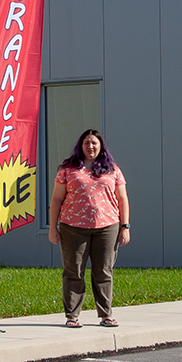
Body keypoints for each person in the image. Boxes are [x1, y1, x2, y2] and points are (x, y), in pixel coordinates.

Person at [48, 129, 130, 328]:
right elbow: (57, 199)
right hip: (73, 227)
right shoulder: (68, 169)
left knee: (104, 271)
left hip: (107, 226)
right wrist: (53, 227)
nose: (90, 146)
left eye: (94, 143)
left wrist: (125, 226)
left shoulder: (112, 169)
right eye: (86, 143)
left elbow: (122, 198)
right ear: (80, 146)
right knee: (73, 271)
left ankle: (106, 315)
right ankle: (72, 316)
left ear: (101, 146)